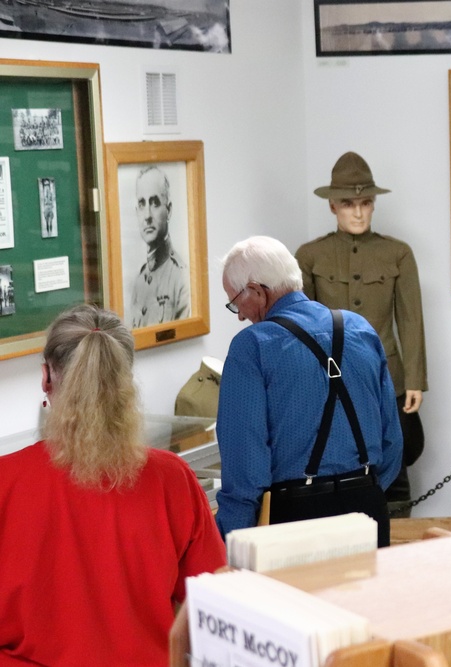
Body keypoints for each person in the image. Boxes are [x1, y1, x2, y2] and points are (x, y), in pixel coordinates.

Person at [0, 304, 225, 666]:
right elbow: (214, 604)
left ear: (46, 378)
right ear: (125, 380)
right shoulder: (173, 478)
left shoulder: (5, 481)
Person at [215, 235, 403, 536]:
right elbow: (391, 439)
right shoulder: (360, 328)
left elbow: (245, 463)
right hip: (367, 509)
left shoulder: (251, 346)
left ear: (257, 291)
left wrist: (230, 537)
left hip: (295, 516)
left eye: (236, 301)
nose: (239, 314)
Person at [296, 151, 427, 515]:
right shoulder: (310, 256)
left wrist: (414, 380)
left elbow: (411, 320)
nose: (357, 212)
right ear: (332, 207)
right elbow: (304, 327)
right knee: (338, 465)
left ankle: (398, 541)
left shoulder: (398, 254)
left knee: (395, 470)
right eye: (348, 204)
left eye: (365, 203)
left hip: (388, 380)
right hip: (332, 381)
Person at [129, 165, 190, 328]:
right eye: (142, 204)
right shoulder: (139, 281)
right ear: (137, 212)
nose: (147, 215)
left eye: (155, 203)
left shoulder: (182, 278)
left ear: (169, 210)